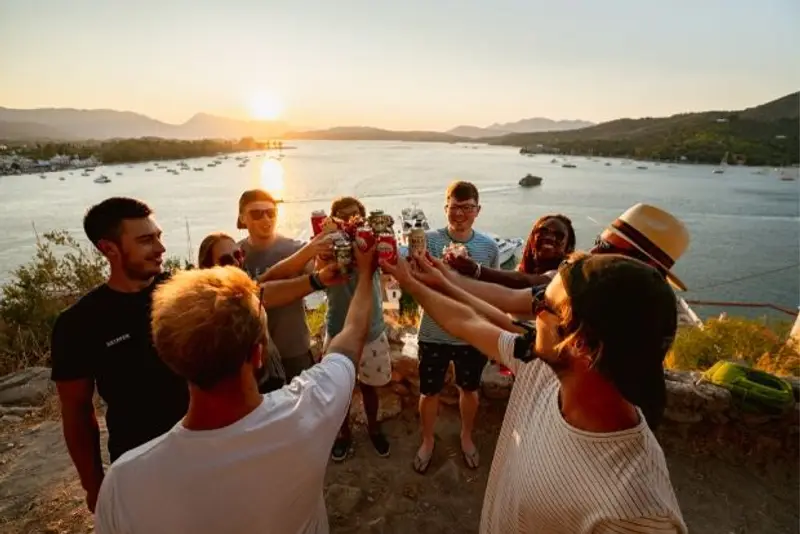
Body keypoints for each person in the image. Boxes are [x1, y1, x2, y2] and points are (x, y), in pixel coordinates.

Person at [382, 252, 687, 533]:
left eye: (542, 306)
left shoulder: (635, 513)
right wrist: (412, 283)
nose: (533, 311)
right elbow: (468, 321)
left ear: (579, 344)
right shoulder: (541, 366)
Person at [94, 241, 378, 534]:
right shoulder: (308, 411)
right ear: (258, 355)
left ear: (171, 358)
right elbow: (352, 335)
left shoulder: (125, 482)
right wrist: (366, 273)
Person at [50, 197, 189, 513]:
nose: (160, 248)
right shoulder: (79, 323)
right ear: (108, 249)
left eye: (158, 236)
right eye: (145, 240)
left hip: (208, 447)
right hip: (138, 465)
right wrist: (93, 484)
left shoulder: (183, 291)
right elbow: (76, 411)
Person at [437, 203, 701, 327]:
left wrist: (453, 275)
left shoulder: (584, 290)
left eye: (606, 247)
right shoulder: (650, 308)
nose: (594, 250)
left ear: (636, 263)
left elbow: (514, 296)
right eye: (598, 242)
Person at [413, 180, 500, 473]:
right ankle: (427, 440)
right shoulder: (428, 240)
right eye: (454, 207)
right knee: (428, 392)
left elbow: (493, 287)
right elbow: (412, 270)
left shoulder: (488, 247)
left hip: (471, 334)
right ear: (445, 207)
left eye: (467, 208)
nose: (460, 214)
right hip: (433, 332)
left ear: (477, 210)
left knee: (470, 389)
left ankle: (466, 436)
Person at [197, 231, 346, 392]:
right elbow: (263, 293)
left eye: (238, 254)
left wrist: (312, 251)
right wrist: (317, 280)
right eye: (226, 260)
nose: (236, 262)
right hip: (250, 386)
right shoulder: (219, 298)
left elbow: (270, 277)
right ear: (208, 267)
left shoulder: (237, 284)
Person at [236, 189, 334, 381]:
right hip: (252, 354)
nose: (266, 219)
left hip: (294, 349)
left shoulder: (295, 248)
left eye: (270, 213)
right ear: (242, 217)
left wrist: (325, 249)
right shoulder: (235, 254)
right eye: (256, 214)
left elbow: (317, 271)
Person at [323, 197, 392, 461]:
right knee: (339, 389)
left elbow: (390, 262)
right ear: (334, 219)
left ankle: (374, 427)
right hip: (338, 328)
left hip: (371, 328)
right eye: (343, 216)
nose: (350, 220)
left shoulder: (372, 244)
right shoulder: (327, 245)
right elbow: (318, 269)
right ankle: (343, 434)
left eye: (356, 216)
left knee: (369, 387)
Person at [448, 214, 576, 289]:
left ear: (568, 248)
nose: (549, 237)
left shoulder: (563, 276)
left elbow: (529, 283)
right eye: (543, 232)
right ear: (532, 240)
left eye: (558, 235)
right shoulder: (521, 271)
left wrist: (476, 270)